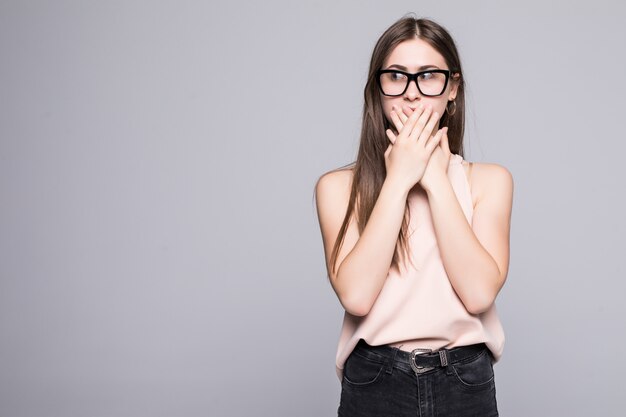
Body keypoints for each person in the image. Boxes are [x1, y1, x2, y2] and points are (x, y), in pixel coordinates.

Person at [314, 14, 513, 417]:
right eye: (396, 76)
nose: (412, 94)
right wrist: (399, 179)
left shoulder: (489, 181)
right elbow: (356, 296)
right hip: (375, 379)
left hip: (463, 379)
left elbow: (478, 294)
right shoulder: (337, 187)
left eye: (429, 76)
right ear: (379, 89)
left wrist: (436, 180)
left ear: (451, 88)